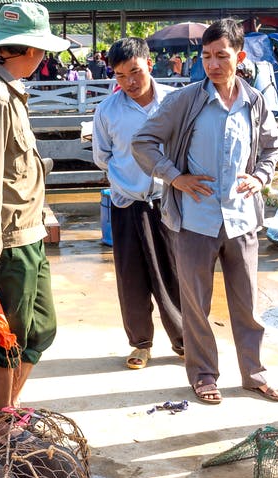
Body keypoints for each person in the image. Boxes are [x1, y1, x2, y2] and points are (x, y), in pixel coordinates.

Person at [132, 18, 278, 405]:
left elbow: (273, 146)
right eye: (206, 56)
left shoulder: (255, 101)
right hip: (195, 221)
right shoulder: (186, 100)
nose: (213, 64)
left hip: (242, 219)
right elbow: (144, 141)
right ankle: (203, 375)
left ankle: (254, 373)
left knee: (248, 304)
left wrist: (261, 176)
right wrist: (174, 177)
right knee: (196, 306)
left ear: (240, 56)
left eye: (221, 56)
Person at [0, 1, 68, 410]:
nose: (42, 60)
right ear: (28, 51)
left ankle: (5, 410)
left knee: (40, 330)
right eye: (40, 52)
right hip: (7, 240)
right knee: (7, 339)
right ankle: (2, 422)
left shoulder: (8, 91)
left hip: (29, 229)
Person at [92, 37, 185, 370]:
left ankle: (183, 339)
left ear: (148, 63)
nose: (129, 82)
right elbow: (103, 157)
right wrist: (127, 180)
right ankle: (141, 343)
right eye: (119, 75)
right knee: (130, 276)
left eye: (134, 72)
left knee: (175, 273)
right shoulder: (107, 111)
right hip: (126, 202)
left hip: (168, 200)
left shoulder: (175, 102)